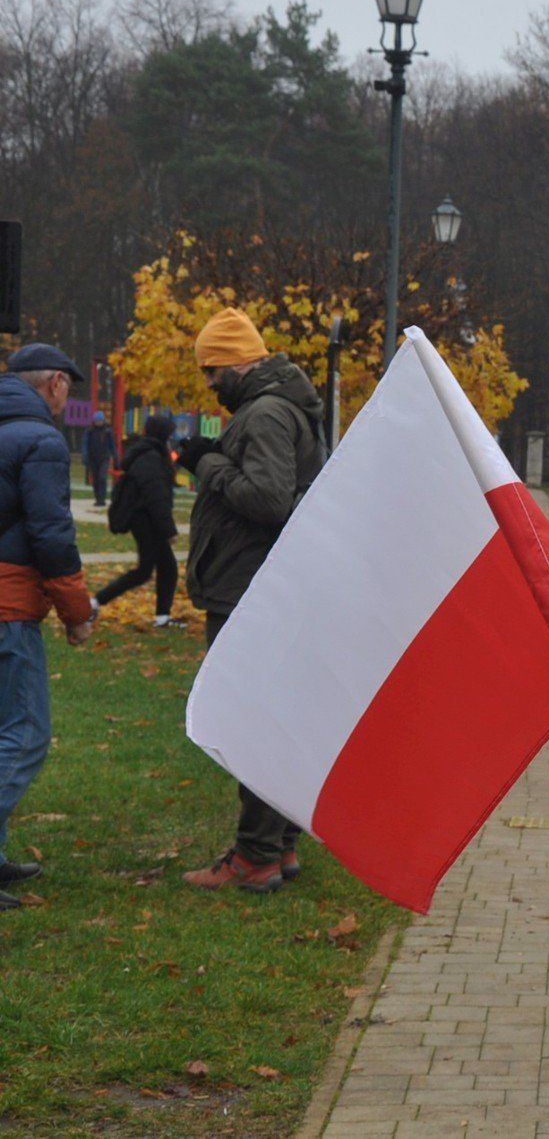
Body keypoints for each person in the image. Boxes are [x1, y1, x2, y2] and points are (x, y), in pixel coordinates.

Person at [178, 308, 326, 893]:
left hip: (249, 588)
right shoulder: (278, 409)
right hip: (262, 585)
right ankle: (280, 847)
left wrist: (207, 463)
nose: (210, 384)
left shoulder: (264, 413)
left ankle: (255, 856)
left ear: (241, 361)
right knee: (279, 717)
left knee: (254, 723)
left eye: (214, 370)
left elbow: (266, 499)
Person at [0, 343, 95, 911]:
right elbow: (53, 537)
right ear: (56, 384)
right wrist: (77, 613)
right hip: (8, 609)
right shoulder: (40, 442)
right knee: (25, 735)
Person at [93, 413, 184, 628]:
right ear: (163, 435)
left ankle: (162, 617)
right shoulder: (150, 458)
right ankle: (95, 602)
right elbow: (156, 497)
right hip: (145, 520)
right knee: (145, 571)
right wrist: (169, 530)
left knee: (167, 567)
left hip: (145, 519)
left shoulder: (150, 454)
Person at [84, 411, 115, 507]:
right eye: (97, 421)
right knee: (96, 479)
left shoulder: (107, 431)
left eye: (100, 421)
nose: (98, 422)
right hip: (93, 458)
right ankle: (98, 498)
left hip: (104, 457)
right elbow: (85, 444)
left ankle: (102, 498)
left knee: (102, 477)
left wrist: (115, 457)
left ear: (103, 421)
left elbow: (112, 445)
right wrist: (85, 456)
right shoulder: (90, 431)